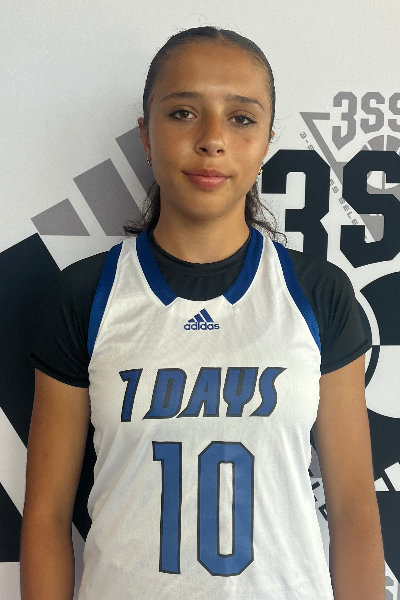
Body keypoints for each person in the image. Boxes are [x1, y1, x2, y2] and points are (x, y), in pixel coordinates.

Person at [20, 26, 385, 600]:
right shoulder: (85, 295)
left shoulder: (317, 293)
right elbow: (45, 518)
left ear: (266, 141)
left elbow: (355, 511)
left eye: (241, 118)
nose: (213, 139)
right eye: (183, 113)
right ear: (146, 134)